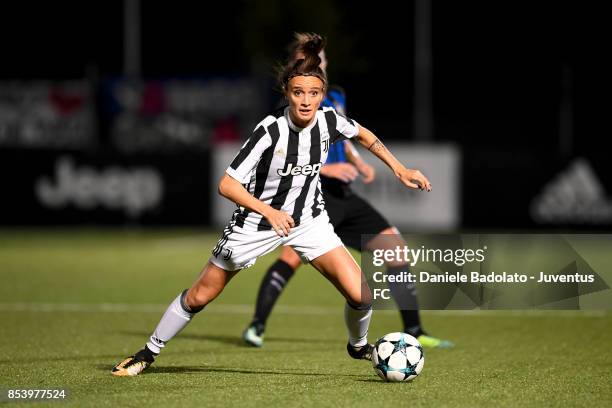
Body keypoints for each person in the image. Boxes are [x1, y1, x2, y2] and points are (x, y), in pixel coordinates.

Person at [111, 34, 432, 376]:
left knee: (362, 296)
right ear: (287, 93)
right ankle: (147, 352)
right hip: (256, 223)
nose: (306, 101)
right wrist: (269, 211)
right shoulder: (270, 131)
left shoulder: (330, 120)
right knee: (200, 296)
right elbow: (227, 184)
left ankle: (358, 347)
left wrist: (399, 168)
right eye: (298, 93)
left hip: (309, 220)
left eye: (313, 93)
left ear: (322, 94)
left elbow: (364, 135)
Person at [242, 33, 453, 349]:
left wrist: (357, 160)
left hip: (343, 195)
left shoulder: (334, 95)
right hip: (310, 194)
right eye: (307, 58)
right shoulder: (291, 103)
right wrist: (328, 169)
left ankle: (415, 330)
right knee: (291, 257)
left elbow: (347, 134)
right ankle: (257, 326)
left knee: (395, 249)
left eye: (321, 57)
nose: (318, 61)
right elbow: (283, 158)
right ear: (294, 65)